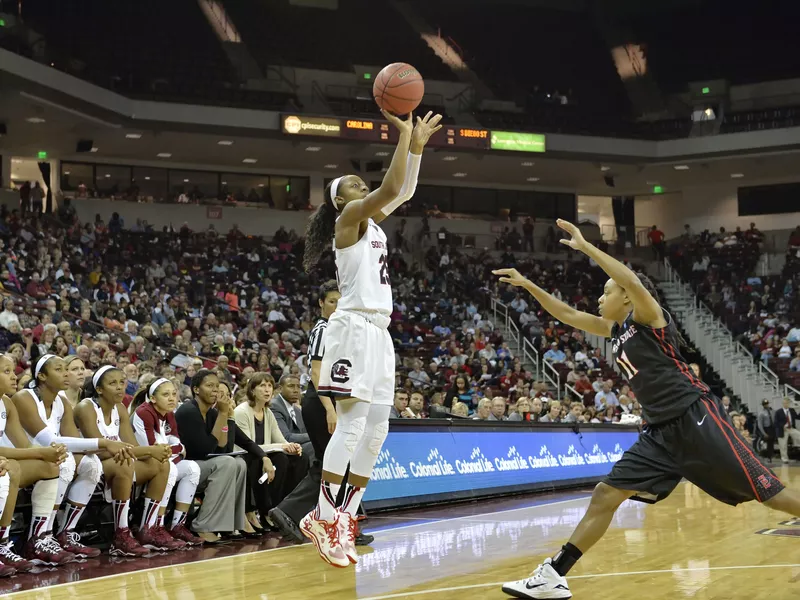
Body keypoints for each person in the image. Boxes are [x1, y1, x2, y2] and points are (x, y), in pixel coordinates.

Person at [494, 219, 800, 600]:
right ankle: (553, 575)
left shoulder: (650, 319)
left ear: (625, 297)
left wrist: (587, 248)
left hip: (696, 416)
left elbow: (634, 282)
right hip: (659, 433)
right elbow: (568, 315)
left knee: (769, 493)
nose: (599, 300)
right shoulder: (614, 331)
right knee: (606, 494)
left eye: (606, 293)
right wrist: (529, 286)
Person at [301, 110, 442, 568]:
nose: (361, 187)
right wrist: (403, 142)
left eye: (361, 185)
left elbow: (403, 190)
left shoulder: (372, 224)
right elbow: (388, 189)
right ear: (338, 200)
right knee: (353, 426)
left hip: (379, 333)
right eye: (352, 186)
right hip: (353, 330)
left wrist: (414, 144)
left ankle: (343, 516)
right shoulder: (349, 222)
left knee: (378, 430)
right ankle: (321, 517)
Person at [268, 281, 373, 547]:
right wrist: (330, 409)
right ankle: (294, 512)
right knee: (336, 465)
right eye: (331, 301)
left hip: (337, 402)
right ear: (321, 304)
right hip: (323, 401)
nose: (337, 306)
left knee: (335, 465)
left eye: (341, 301)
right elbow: (317, 375)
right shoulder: (323, 330)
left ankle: (338, 523)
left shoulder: (343, 331)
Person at [13, 355, 135, 561]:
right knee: (65, 461)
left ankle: (64, 533)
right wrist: (102, 443)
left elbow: (69, 440)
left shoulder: (61, 401)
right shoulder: (23, 397)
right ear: (42, 376)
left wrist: (95, 450)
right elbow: (50, 441)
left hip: (49, 458)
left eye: (66, 369)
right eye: (59, 369)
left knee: (91, 464)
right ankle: (40, 536)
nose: (66, 373)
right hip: (26, 458)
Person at [74, 366, 184, 552]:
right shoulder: (86, 407)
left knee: (161, 464)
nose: (119, 387)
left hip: (117, 460)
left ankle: (147, 528)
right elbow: (98, 449)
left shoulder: (120, 409)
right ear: (99, 389)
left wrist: (153, 452)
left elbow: (132, 446)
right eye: (112, 383)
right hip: (91, 463)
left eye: (122, 382)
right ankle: (121, 533)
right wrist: (145, 450)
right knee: (124, 464)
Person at [175, 369, 260, 543]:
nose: (215, 390)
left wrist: (226, 415)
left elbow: (223, 445)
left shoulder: (213, 413)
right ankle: (202, 525)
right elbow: (203, 449)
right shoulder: (188, 411)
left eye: (217, 386)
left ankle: (229, 525)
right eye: (209, 386)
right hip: (183, 467)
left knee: (239, 463)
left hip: (200, 466)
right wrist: (222, 413)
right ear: (196, 389)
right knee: (228, 463)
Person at [0, 355, 67, 573]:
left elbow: (23, 446)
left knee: (50, 466)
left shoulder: (6, 403)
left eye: (13, 371)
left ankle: (37, 539)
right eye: (6, 372)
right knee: (10, 469)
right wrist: (40, 451)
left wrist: (47, 454)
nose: (14, 376)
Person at [130, 379, 204, 546]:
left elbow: (175, 441)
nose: (172, 398)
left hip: (161, 461)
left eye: (173, 394)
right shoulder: (144, 413)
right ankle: (151, 526)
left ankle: (178, 525)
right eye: (166, 394)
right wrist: (176, 450)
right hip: (140, 462)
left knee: (192, 468)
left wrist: (174, 449)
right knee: (169, 467)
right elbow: (151, 449)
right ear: (153, 398)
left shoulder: (169, 413)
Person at [234, 373, 305, 531]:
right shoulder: (241, 411)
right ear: (252, 390)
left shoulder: (268, 412)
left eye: (269, 386)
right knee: (276, 458)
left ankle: (283, 508)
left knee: (297, 458)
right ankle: (263, 511)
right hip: (244, 456)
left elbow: (280, 440)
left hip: (263, 456)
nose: (267, 390)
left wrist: (292, 447)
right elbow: (248, 445)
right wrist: (281, 447)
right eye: (262, 386)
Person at [775, 397, 800, 464]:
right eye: (784, 403)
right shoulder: (778, 412)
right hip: (782, 430)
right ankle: (785, 459)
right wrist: (782, 426)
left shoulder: (792, 410)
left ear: (789, 404)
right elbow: (776, 422)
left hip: (791, 428)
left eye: (787, 403)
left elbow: (797, 417)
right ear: (782, 404)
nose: (786, 404)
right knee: (783, 445)